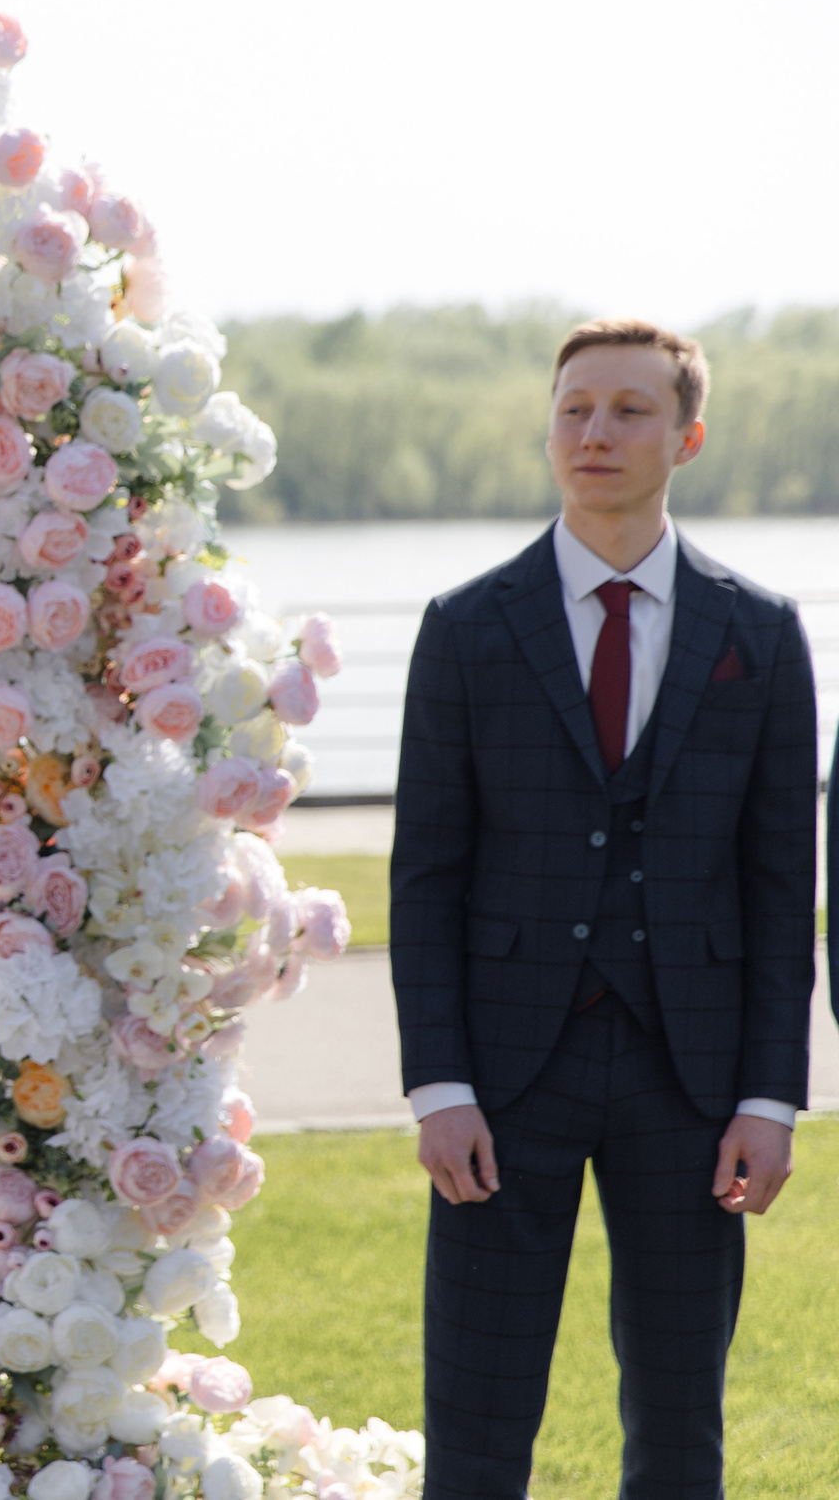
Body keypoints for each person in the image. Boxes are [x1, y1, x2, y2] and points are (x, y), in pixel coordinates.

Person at [390, 319, 817, 1498]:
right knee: (473, 1425)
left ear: (684, 437)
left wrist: (770, 1098)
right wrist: (438, 1086)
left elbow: (784, 889)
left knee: (681, 1426)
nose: (595, 432)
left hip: (693, 1081)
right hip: (500, 1074)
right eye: (575, 407)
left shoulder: (762, 634)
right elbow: (423, 875)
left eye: (629, 410)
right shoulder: (464, 629)